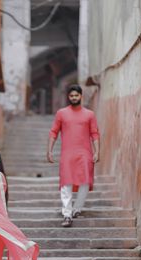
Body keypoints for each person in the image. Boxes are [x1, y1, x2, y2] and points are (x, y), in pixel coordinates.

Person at [47, 85, 100, 227]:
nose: (74, 98)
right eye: (71, 96)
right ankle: (67, 214)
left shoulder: (89, 114)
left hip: (85, 153)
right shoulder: (61, 113)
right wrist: (49, 151)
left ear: (81, 96)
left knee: (85, 182)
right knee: (66, 183)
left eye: (76, 95)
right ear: (68, 97)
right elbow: (53, 132)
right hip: (67, 154)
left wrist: (97, 151)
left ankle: (77, 209)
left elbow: (94, 133)